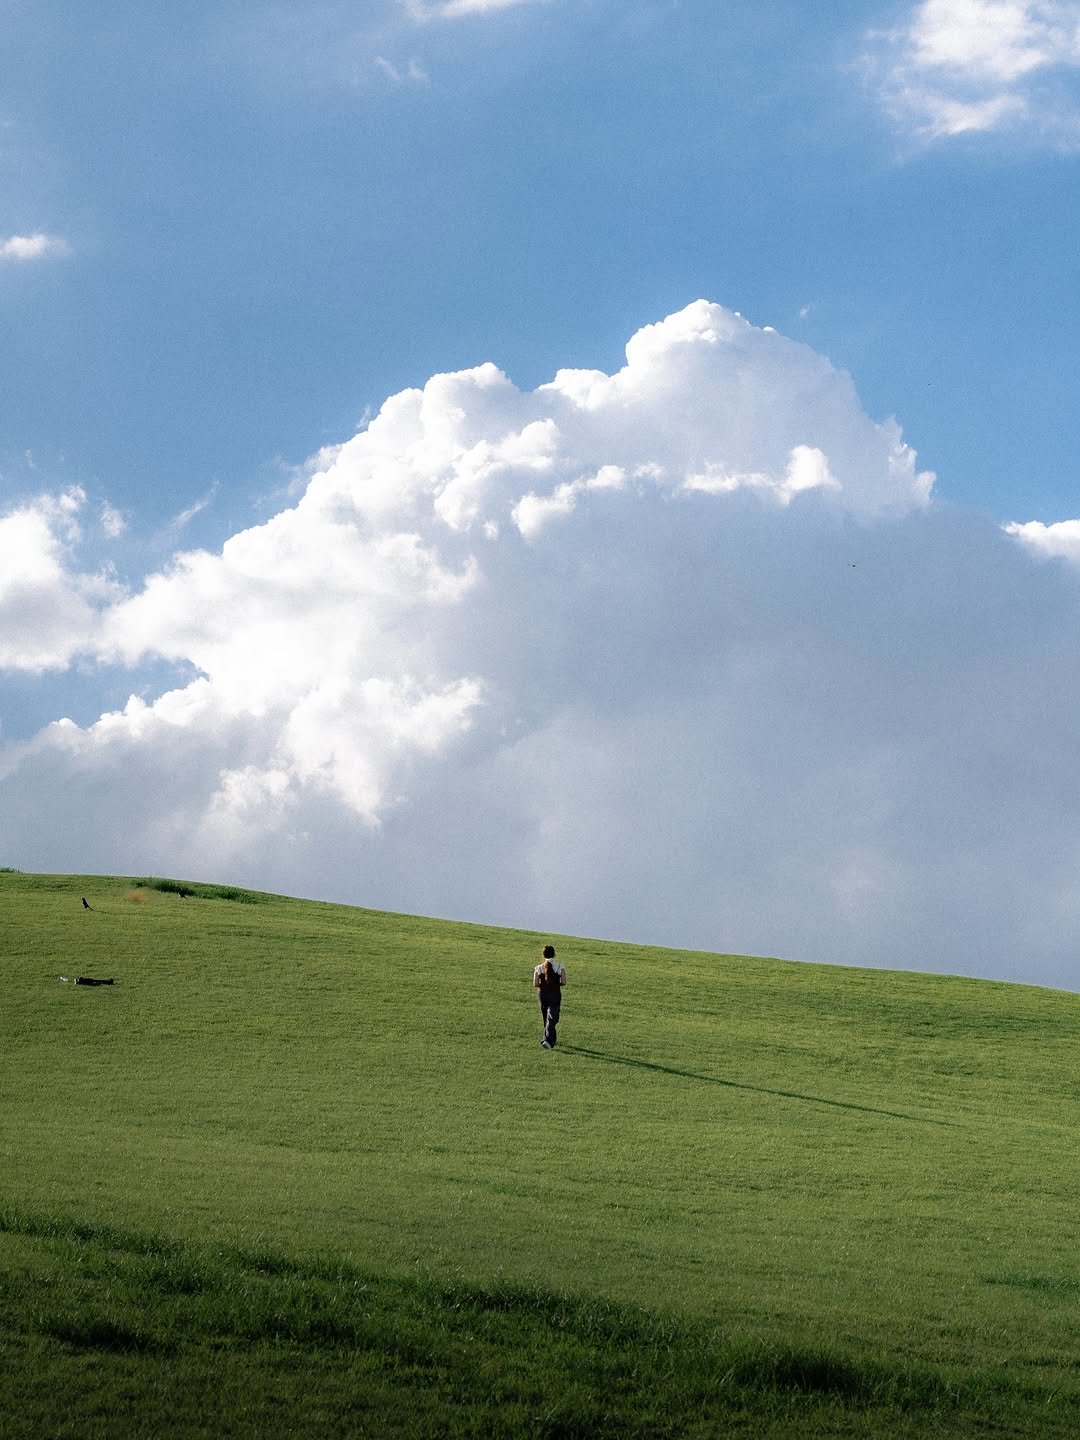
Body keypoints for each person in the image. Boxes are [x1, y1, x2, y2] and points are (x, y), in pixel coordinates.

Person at [532, 943, 566, 1049]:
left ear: (543, 955)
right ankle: (547, 1040)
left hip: (542, 994)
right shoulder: (560, 967)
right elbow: (564, 982)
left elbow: (536, 984)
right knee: (552, 1018)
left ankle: (550, 1040)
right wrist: (555, 984)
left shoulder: (538, 968)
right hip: (555, 994)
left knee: (546, 1017)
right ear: (554, 955)